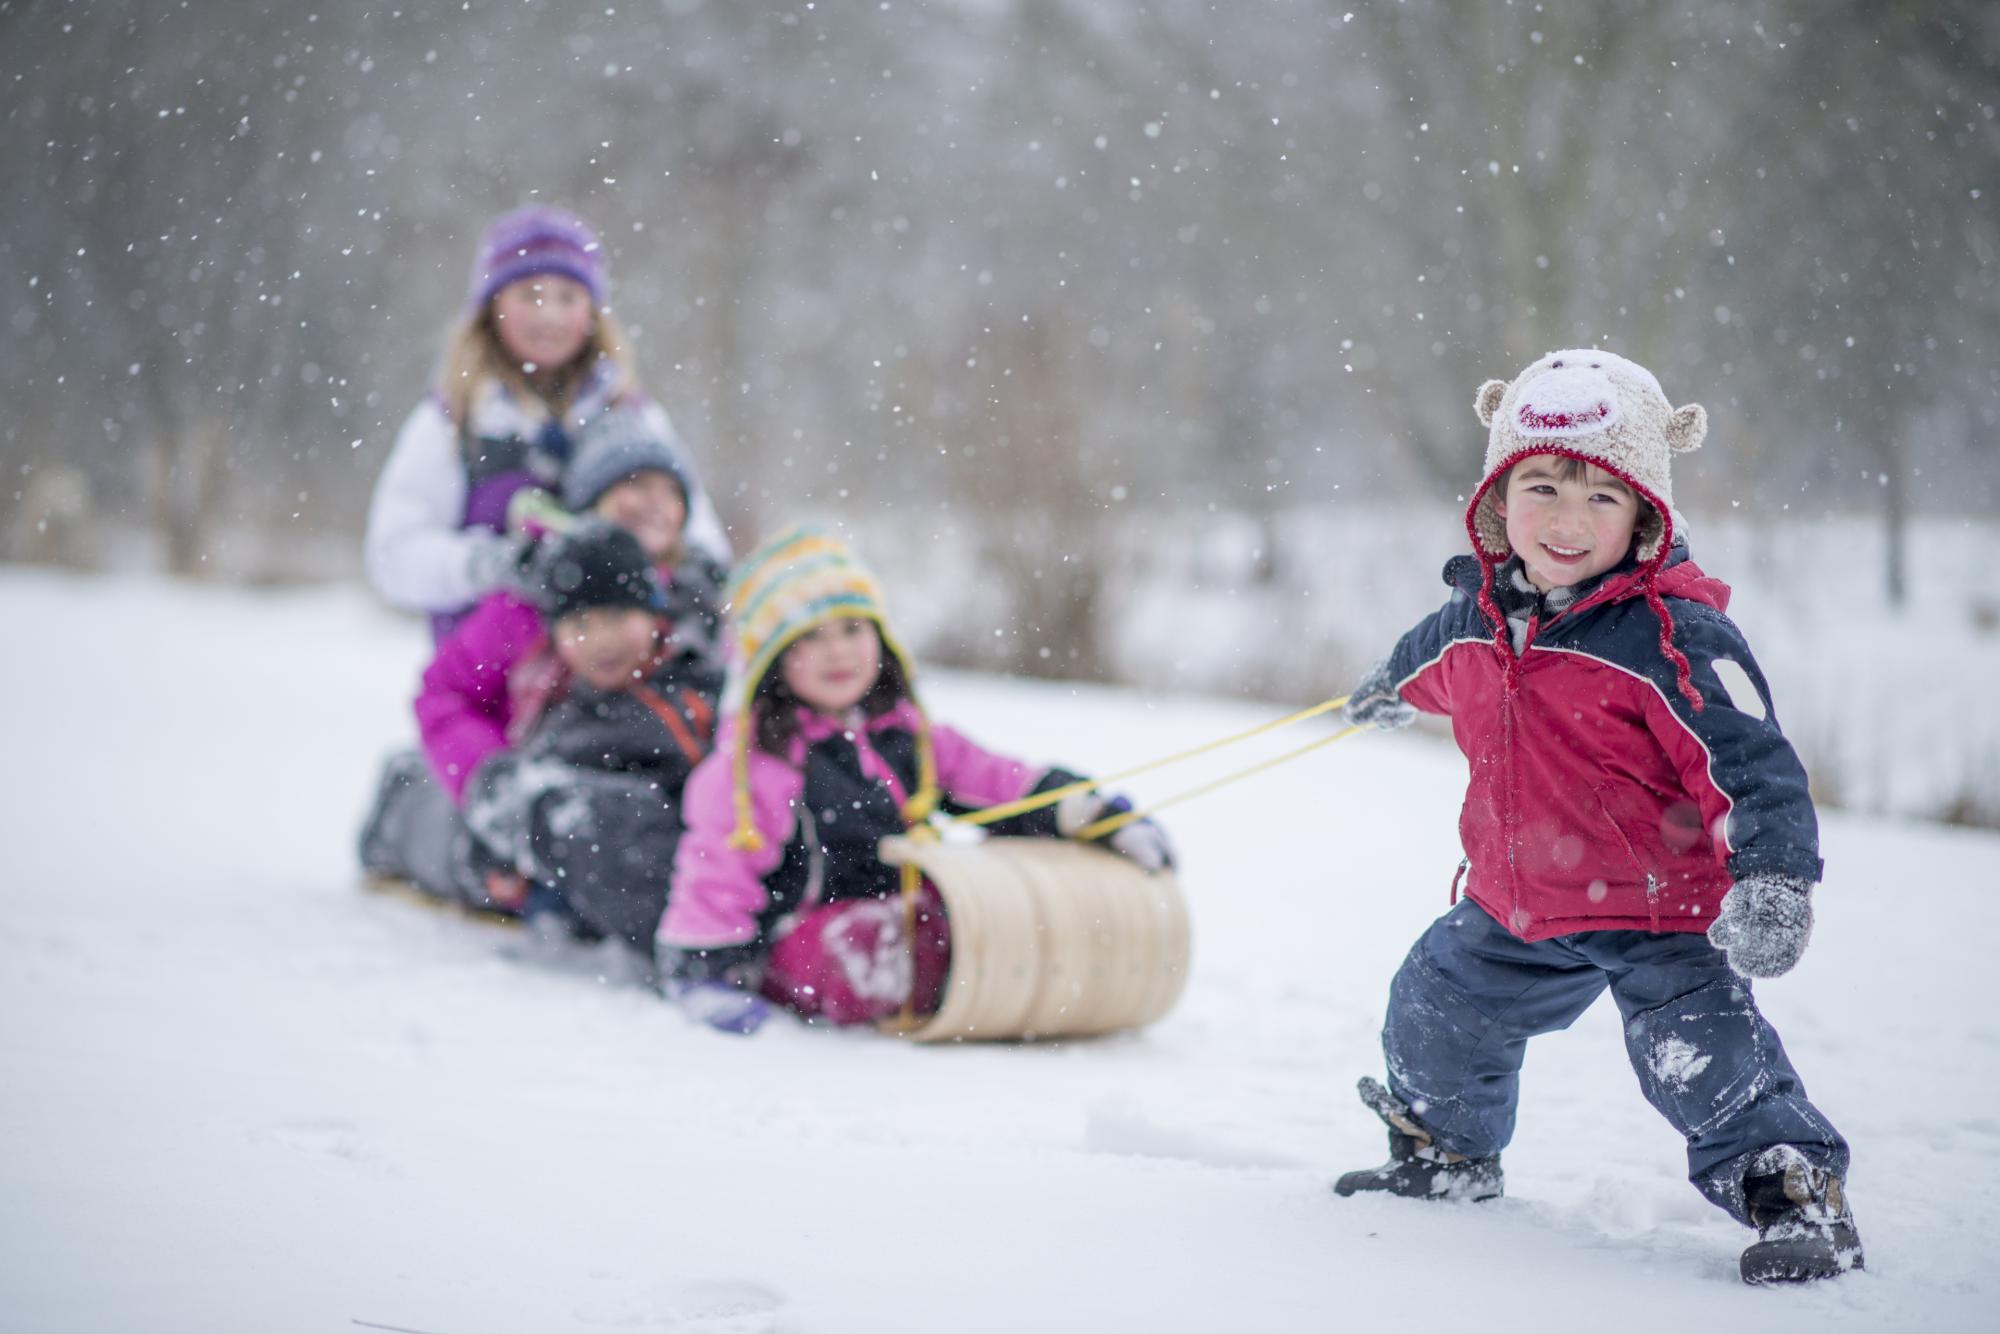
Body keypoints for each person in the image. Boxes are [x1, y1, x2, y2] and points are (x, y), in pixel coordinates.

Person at [1330, 349, 1861, 1285]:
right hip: (1515, 907)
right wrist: (1386, 688)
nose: (1568, 521)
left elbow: (1753, 766)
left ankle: (1793, 1192)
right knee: (1438, 1004)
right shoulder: (1479, 617)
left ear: (1646, 513)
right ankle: (1447, 1155)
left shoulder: (1674, 638)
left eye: (1601, 498)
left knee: (1701, 1056)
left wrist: (1773, 879)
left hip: (1657, 911)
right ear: (1500, 499)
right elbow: (1427, 655)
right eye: (1543, 486)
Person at [652, 525, 1172, 1036]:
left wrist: (1088, 813)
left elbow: (996, 782)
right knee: (875, 946)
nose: (838, 652)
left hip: (909, 908)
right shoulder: (756, 769)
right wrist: (703, 972)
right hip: (806, 938)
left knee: (994, 910)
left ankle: (1002, 963)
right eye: (809, 638)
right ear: (770, 661)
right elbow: (716, 875)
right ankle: (949, 970)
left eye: (853, 629)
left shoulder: (911, 737)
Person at [358, 426, 724, 943]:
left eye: (669, 491)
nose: (653, 503)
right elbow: (445, 693)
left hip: (631, 779)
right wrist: (489, 778)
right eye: (634, 486)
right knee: (464, 848)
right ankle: (402, 807)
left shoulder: (706, 595)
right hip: (528, 778)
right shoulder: (537, 595)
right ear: (589, 503)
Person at [362, 204, 727, 638]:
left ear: (592, 313)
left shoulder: (631, 413)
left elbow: (697, 533)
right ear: (491, 307)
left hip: (612, 675)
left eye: (566, 297)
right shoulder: (453, 418)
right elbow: (395, 557)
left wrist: (684, 577)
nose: (548, 315)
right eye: (530, 294)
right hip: (488, 675)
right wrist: (496, 567)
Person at [452, 519, 725, 957]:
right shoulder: (565, 709)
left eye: (617, 617)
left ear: (654, 614)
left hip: (702, 874)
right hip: (606, 892)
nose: (601, 640)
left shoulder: (699, 685)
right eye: (580, 624)